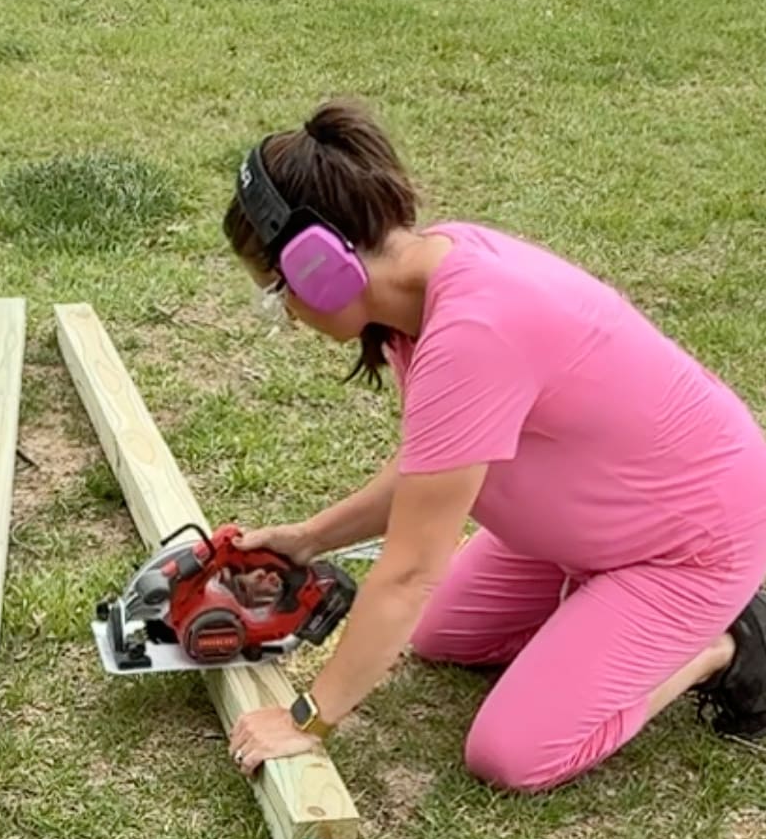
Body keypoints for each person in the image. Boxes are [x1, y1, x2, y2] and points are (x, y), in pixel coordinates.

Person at [223, 100, 766, 791]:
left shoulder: (476, 328)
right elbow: (436, 467)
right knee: (442, 635)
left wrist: (307, 718)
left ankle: (720, 643)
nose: (288, 314)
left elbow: (411, 571)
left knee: (513, 754)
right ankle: (602, 612)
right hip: (595, 531)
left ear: (317, 265)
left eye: (276, 291)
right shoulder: (422, 291)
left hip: (691, 545)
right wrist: (308, 537)